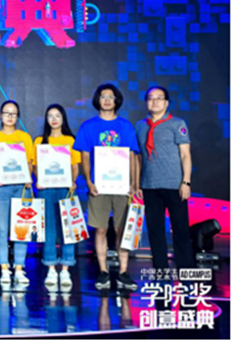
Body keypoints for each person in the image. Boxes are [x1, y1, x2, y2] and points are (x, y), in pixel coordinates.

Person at [74, 83, 139, 291]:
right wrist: (89, 181)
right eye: (104, 96)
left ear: (116, 100)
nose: (108, 100)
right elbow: (84, 156)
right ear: (98, 100)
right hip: (99, 186)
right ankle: (103, 271)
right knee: (100, 229)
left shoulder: (126, 126)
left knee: (122, 229)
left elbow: (132, 156)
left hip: (122, 187)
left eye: (111, 97)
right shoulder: (88, 126)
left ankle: (123, 272)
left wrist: (134, 184)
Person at [134, 86, 195, 270]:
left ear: (166, 103)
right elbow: (138, 157)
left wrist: (186, 182)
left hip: (175, 185)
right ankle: (161, 270)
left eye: (159, 98)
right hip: (149, 186)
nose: (155, 101)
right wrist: (137, 183)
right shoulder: (140, 125)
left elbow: (185, 155)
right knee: (155, 232)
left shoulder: (177, 124)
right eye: (151, 98)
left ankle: (185, 271)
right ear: (146, 102)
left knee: (181, 230)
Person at [33, 104, 81, 289]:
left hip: (65, 189)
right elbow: (35, 166)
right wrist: (39, 179)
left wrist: (72, 181)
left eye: (57, 116)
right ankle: (51, 268)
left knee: (68, 230)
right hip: (46, 189)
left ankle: (66, 269)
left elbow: (75, 166)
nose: (54, 119)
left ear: (63, 119)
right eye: (50, 116)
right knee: (49, 229)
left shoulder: (70, 140)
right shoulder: (39, 141)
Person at [0, 100, 34, 285]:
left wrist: (28, 176)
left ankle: (19, 268)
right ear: (0, 115)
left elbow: (29, 162)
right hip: (2, 188)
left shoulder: (25, 137)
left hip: (21, 187)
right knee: (1, 229)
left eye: (13, 113)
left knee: (22, 228)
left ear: (17, 117)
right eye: (6, 113)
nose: (10, 116)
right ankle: (4, 267)